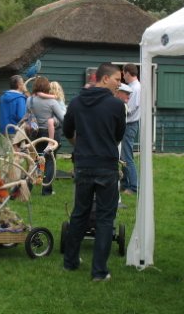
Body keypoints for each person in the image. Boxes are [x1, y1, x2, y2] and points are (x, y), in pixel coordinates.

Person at [62, 63, 126, 281]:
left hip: (83, 164)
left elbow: (67, 131)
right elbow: (118, 136)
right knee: (106, 219)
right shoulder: (117, 106)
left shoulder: (77, 102)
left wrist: (79, 145)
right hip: (106, 166)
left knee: (80, 213)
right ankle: (99, 271)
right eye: (117, 79)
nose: (120, 84)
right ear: (104, 78)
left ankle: (70, 262)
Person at [26, 76, 66, 195]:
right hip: (49, 134)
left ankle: (27, 188)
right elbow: (62, 118)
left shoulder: (30, 100)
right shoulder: (52, 102)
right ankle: (46, 190)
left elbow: (27, 116)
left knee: (34, 160)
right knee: (49, 161)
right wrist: (54, 121)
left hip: (35, 133)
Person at [120, 63, 140, 195]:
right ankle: (125, 183)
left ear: (127, 73)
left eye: (123, 73)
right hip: (127, 124)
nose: (123, 76)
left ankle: (133, 186)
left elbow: (130, 109)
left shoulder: (136, 88)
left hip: (129, 124)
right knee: (123, 155)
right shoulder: (132, 87)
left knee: (127, 156)